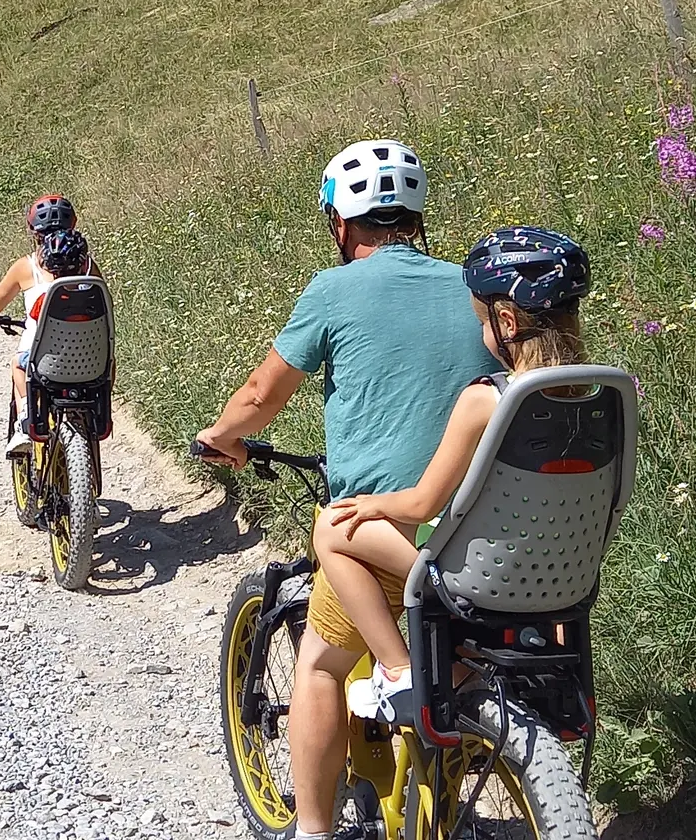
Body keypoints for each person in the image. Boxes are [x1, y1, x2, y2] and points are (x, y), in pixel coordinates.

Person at [193, 139, 497, 840]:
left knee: (321, 669)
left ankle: (314, 831)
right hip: (477, 536)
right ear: (415, 215)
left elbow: (261, 393)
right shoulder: (474, 289)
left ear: (340, 224)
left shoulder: (331, 290)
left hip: (384, 538)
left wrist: (222, 438)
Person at [315, 226, 590, 724]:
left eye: (481, 322)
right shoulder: (600, 396)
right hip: (569, 577)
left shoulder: (488, 399)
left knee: (333, 526)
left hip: (484, 578)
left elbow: (422, 504)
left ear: (506, 321)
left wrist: (376, 503)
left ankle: (399, 672)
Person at [0, 195, 99, 455]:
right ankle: (94, 414)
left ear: (34, 232)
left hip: (44, 360)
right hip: (92, 360)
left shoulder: (27, 267)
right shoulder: (89, 267)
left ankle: (25, 420)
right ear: (74, 224)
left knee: (18, 364)